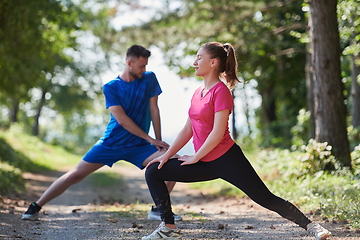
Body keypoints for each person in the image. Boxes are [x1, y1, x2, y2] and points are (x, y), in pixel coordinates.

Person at [141, 42, 332, 240]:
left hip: (226, 159)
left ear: (213, 62)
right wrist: (166, 156)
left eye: (199, 58)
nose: (194, 62)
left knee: (265, 198)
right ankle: (168, 227)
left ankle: (311, 226)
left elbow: (217, 133)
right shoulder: (198, 94)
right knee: (154, 171)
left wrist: (196, 156)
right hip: (203, 162)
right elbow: (187, 130)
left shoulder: (221, 91)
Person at [21, 44, 181, 222]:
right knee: (75, 175)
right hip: (111, 143)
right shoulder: (111, 87)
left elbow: (154, 109)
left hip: (139, 146)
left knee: (171, 160)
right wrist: (150, 138)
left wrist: (157, 141)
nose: (144, 70)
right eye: (141, 66)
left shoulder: (149, 78)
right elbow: (122, 120)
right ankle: (36, 206)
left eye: (146, 66)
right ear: (129, 63)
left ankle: (158, 209)